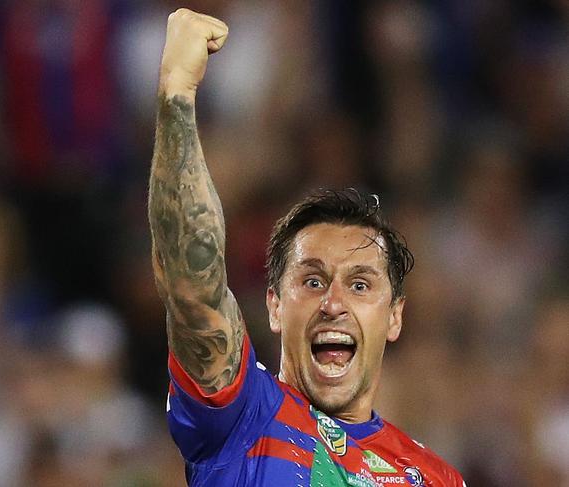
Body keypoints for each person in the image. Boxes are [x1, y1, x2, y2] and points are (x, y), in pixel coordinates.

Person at [148, 9, 465, 486]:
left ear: (395, 315)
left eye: (360, 284)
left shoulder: (434, 478)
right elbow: (192, 287)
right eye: (312, 280)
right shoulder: (242, 418)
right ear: (274, 305)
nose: (334, 303)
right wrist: (177, 93)